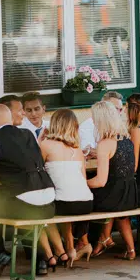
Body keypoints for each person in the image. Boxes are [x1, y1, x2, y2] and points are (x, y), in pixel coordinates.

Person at [0, 104, 58, 279]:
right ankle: (40, 259)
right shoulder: (29, 134)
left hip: (25, 205)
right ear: (11, 120)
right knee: (22, 207)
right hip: (49, 204)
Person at [40, 109, 94, 268]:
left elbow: (37, 167)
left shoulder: (46, 145)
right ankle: (72, 248)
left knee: (47, 210)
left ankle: (64, 250)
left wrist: (39, 140)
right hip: (86, 202)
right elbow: (83, 179)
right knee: (66, 199)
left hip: (65, 202)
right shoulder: (77, 149)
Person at [87, 101, 138, 259]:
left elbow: (100, 181)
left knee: (82, 201)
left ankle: (86, 243)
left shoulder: (104, 144)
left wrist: (82, 184)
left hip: (114, 197)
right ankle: (130, 249)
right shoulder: (126, 139)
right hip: (130, 195)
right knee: (120, 214)